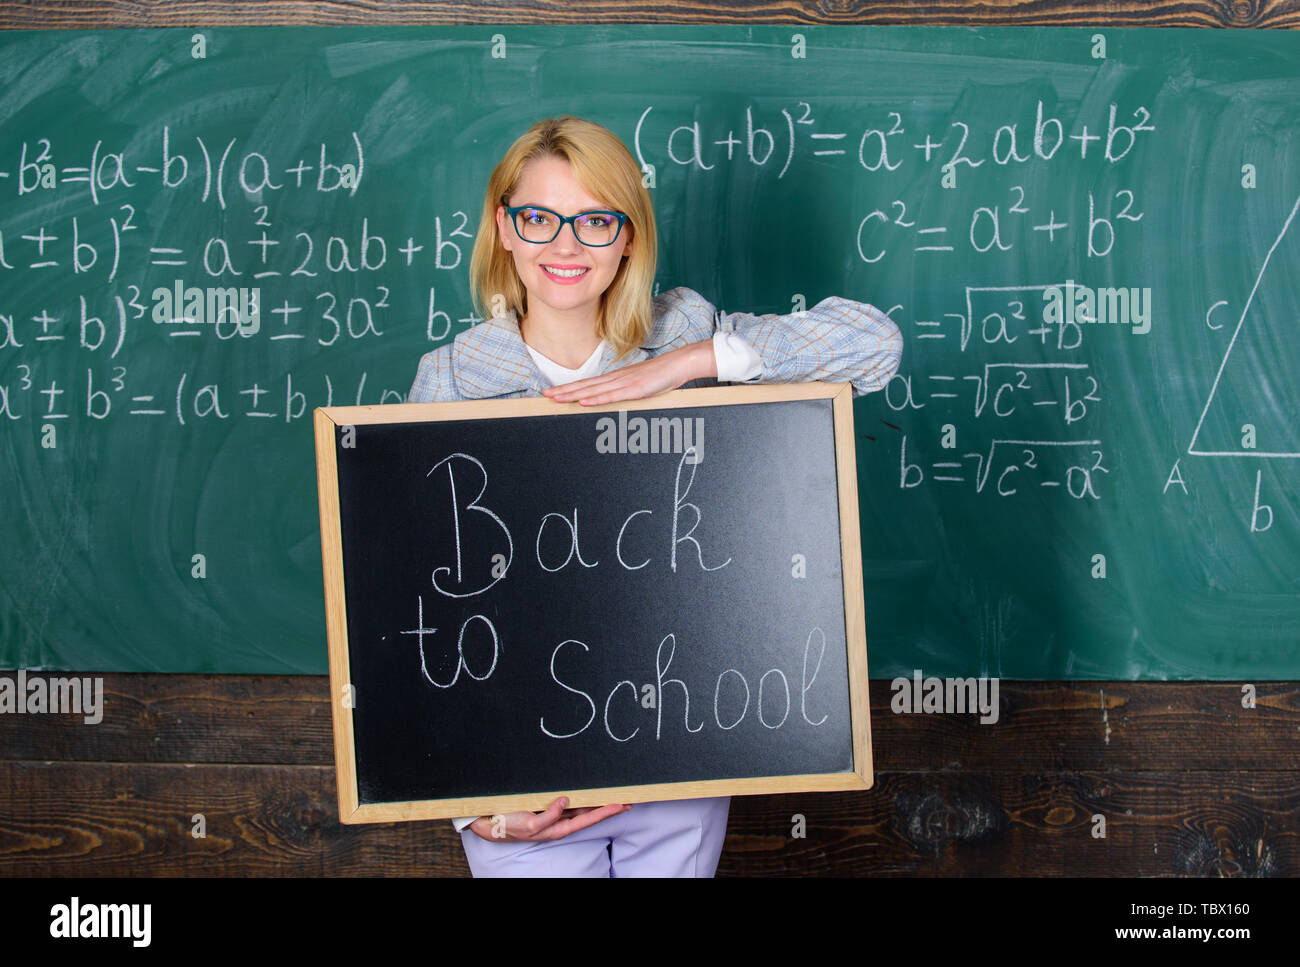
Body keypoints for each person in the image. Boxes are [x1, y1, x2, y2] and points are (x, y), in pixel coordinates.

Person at [407, 115, 902, 877]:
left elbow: (874, 344)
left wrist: (687, 365)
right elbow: (421, 616)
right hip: (517, 776)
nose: (565, 246)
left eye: (595, 221)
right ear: (504, 229)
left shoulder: (679, 333)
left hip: (676, 757)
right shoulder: (447, 380)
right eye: (538, 218)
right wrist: (480, 810)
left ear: (629, 236)